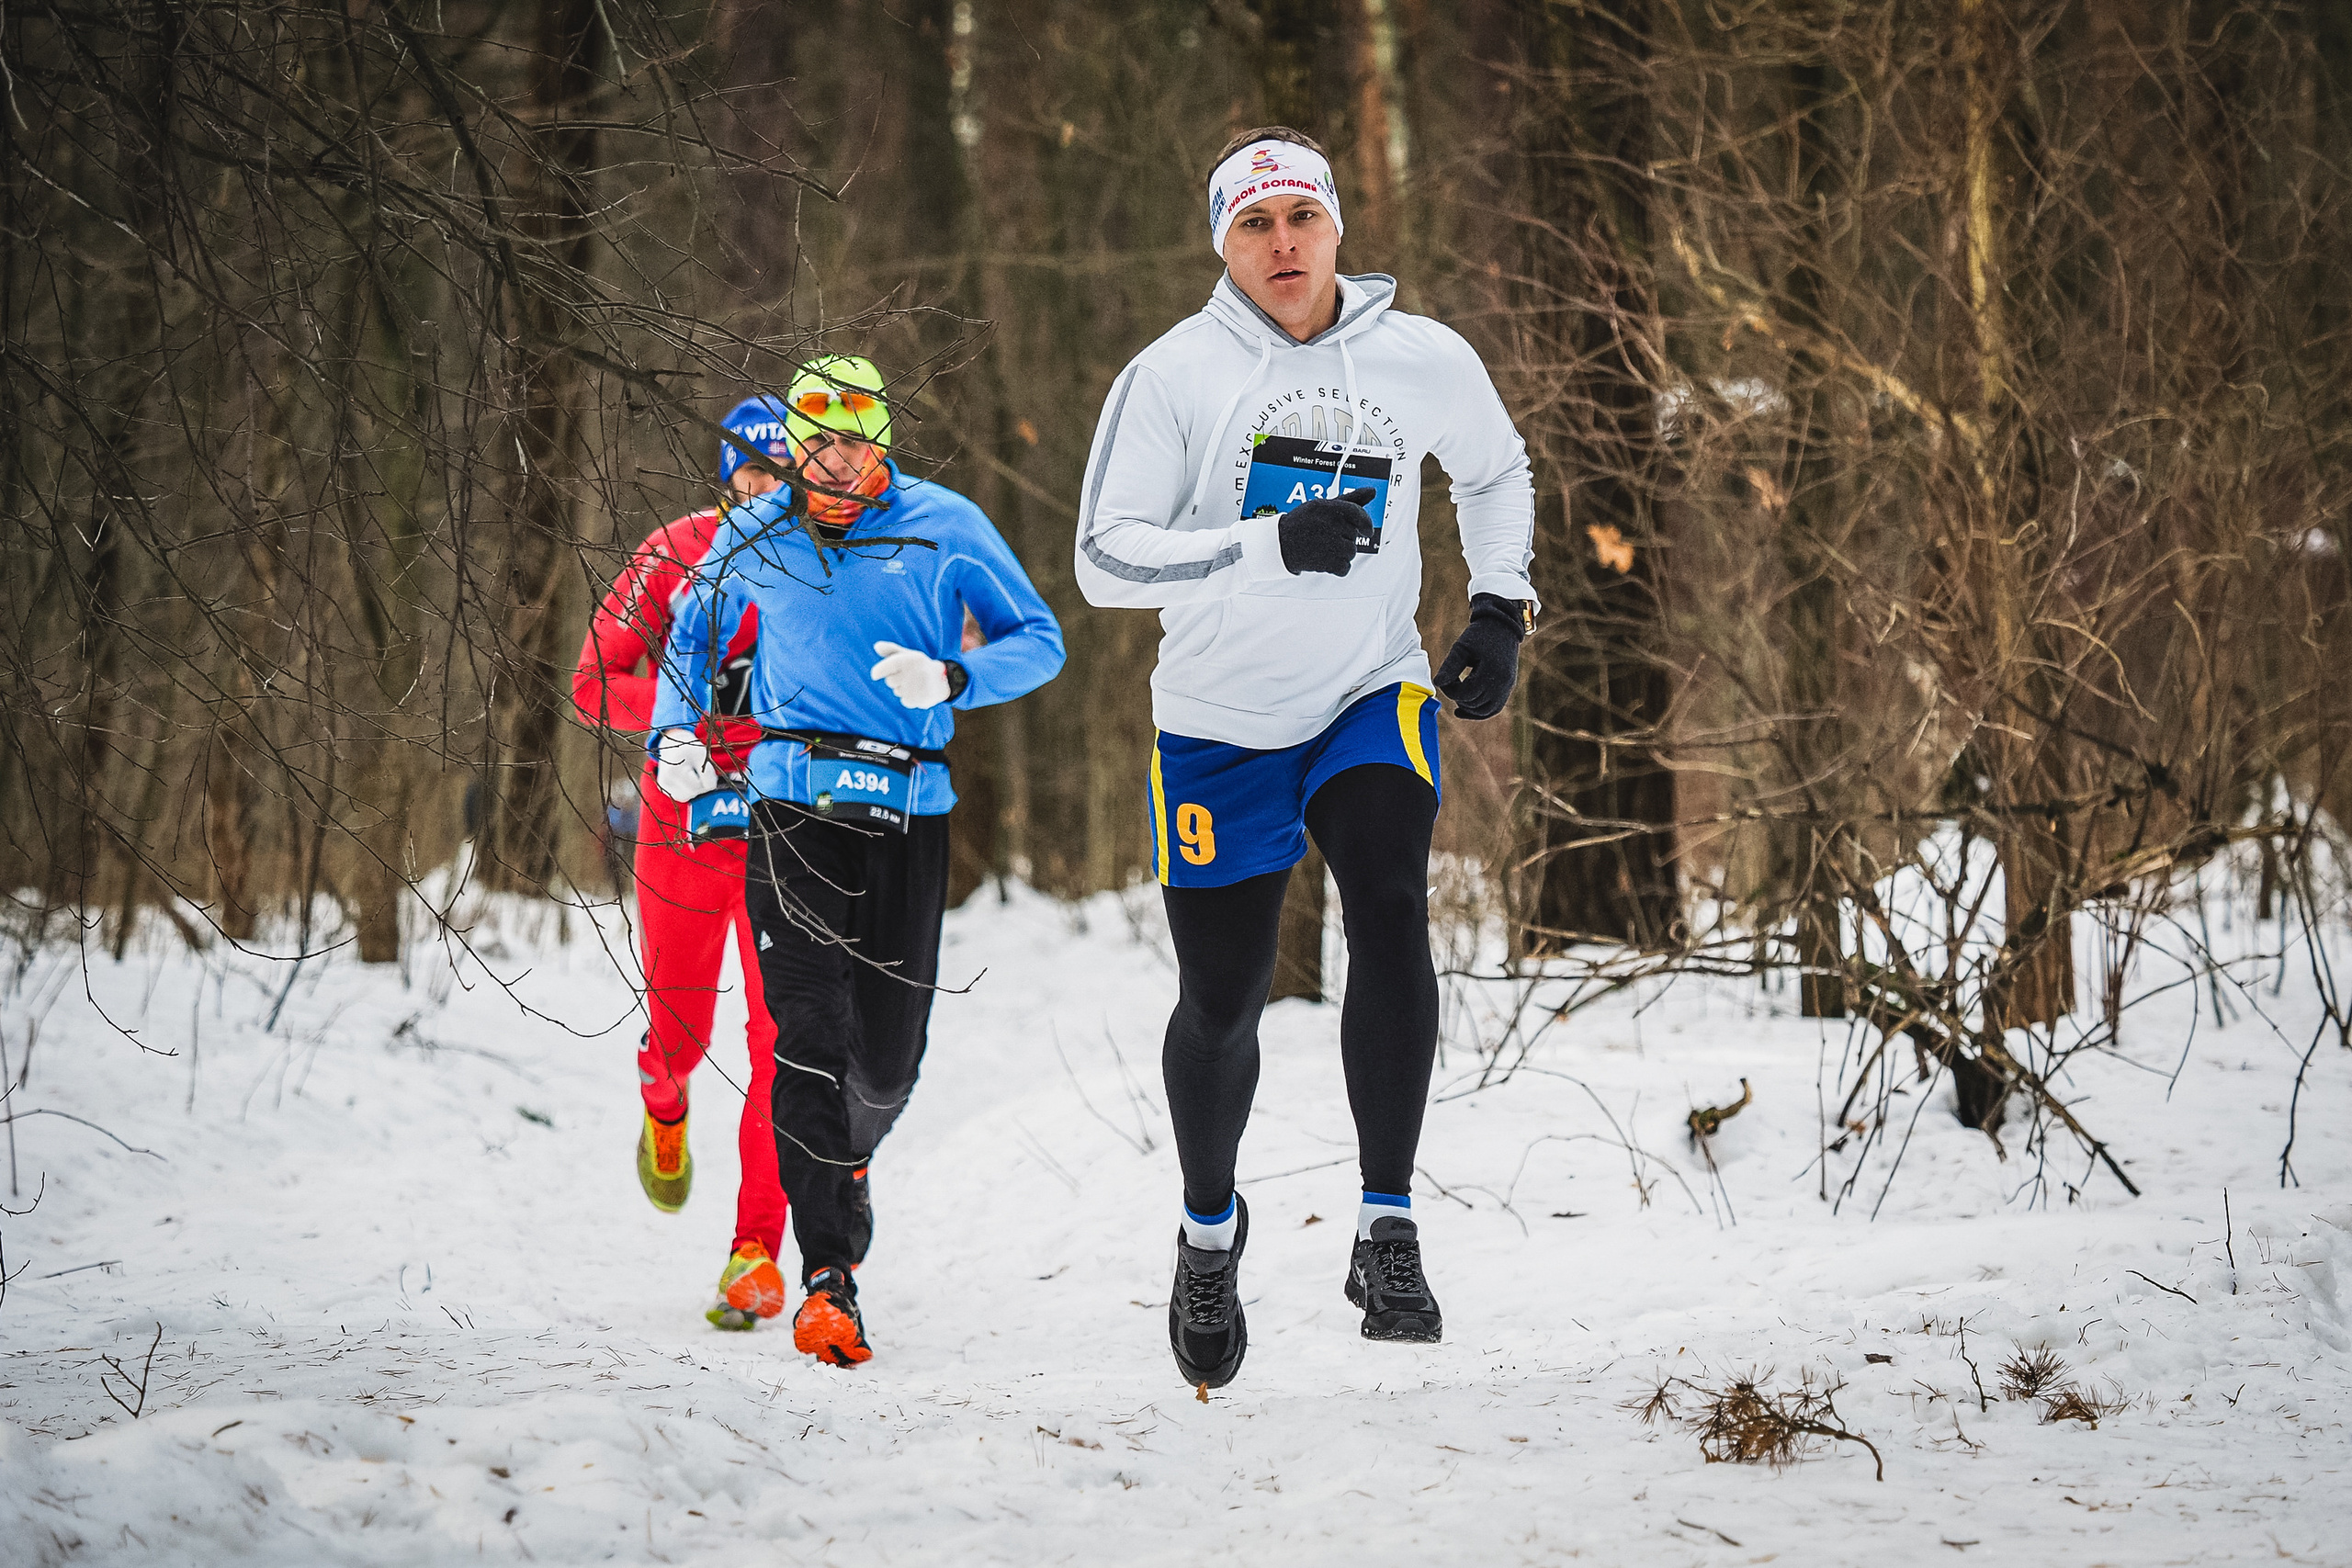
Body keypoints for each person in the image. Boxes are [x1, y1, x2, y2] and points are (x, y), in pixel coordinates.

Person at [1074, 129, 1537, 1388]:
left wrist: (1500, 607)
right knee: (1222, 998)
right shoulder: (1171, 376)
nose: (1282, 243)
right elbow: (1104, 559)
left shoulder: (1421, 356)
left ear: (1337, 226)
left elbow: (1496, 473)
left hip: (1365, 691)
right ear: (1221, 245)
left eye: (1301, 218)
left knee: (1391, 906)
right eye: (1253, 225)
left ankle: (1387, 1225)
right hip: (1217, 720)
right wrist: (1264, 545)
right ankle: (1209, 1230)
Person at [652, 355, 1065, 1367]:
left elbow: (1042, 640)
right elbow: (687, 635)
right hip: (791, 807)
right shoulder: (754, 533)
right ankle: (827, 1279)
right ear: (790, 450)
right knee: (804, 1039)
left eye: (852, 443)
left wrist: (955, 675)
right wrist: (676, 731)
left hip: (909, 807)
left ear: (882, 441)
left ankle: (851, 1160)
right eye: (813, 446)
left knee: (883, 1065)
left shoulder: (945, 524)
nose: (833, 466)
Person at [572, 397, 798, 1333]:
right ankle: (662, 1105)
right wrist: (680, 713)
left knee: (784, 1047)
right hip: (681, 822)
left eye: (784, 473)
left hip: (786, 828)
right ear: (726, 470)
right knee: (683, 1033)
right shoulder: (673, 551)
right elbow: (593, 683)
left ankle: (755, 1252)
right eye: (753, 469)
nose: (768, 488)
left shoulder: (826, 570)